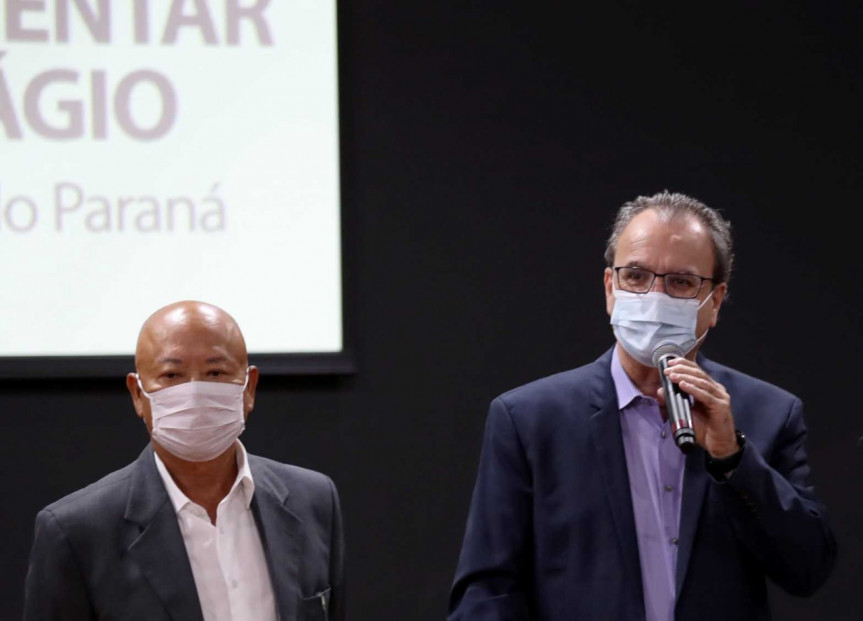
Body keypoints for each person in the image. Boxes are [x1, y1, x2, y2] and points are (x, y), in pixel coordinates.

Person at [447, 191, 837, 620]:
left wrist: (732, 458)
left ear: (716, 302)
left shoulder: (768, 413)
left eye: (681, 282)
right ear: (610, 287)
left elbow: (808, 569)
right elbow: (487, 591)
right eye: (636, 276)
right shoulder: (530, 419)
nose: (655, 297)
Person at [23, 300, 344, 621]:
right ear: (137, 394)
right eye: (172, 375)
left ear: (249, 388)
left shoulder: (312, 500)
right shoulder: (76, 532)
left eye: (216, 372)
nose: (195, 393)